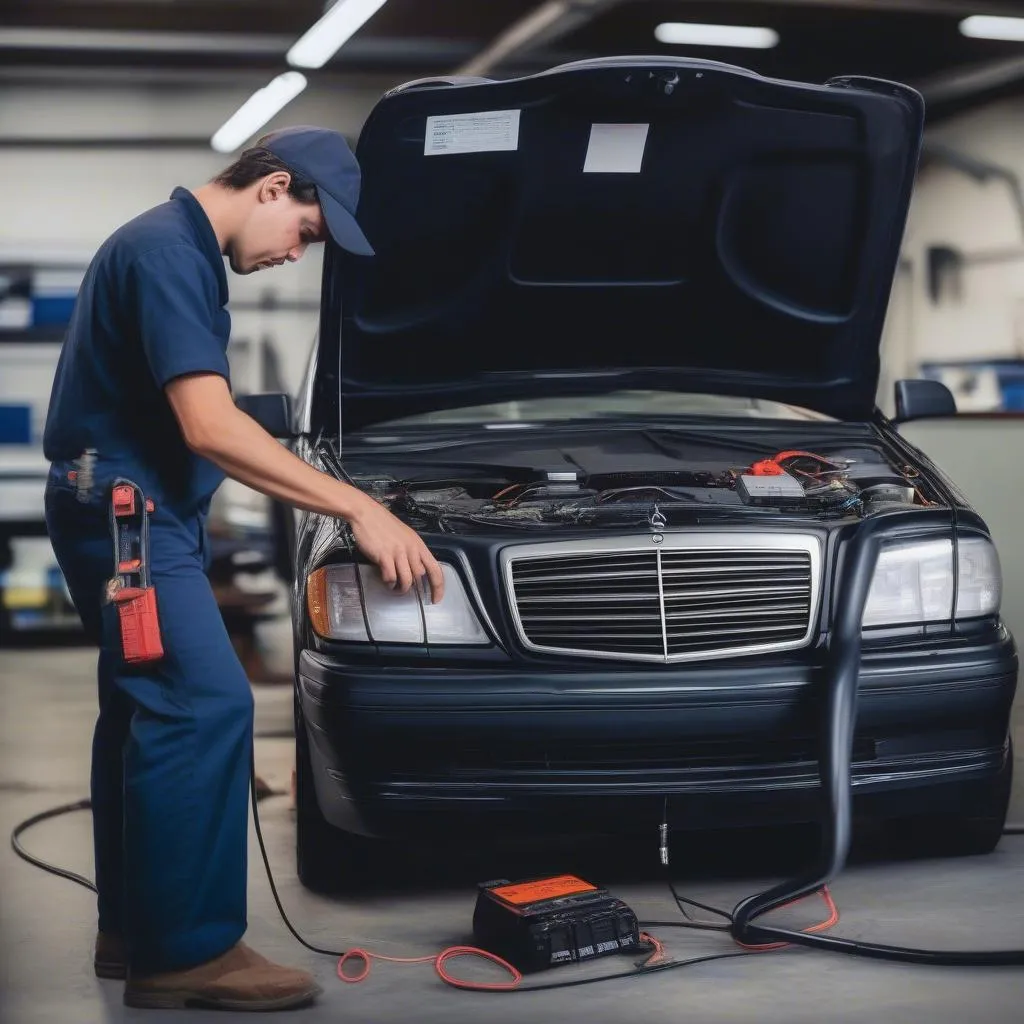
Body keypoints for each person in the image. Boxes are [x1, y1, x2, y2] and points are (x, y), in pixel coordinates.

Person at [42, 126, 444, 1012]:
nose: (299, 252)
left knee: (141, 711)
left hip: (129, 512)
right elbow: (210, 426)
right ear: (270, 187)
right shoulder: (167, 252)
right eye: (306, 229)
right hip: (130, 523)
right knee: (203, 704)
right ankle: (187, 953)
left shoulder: (174, 250)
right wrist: (359, 507)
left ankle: (131, 927)